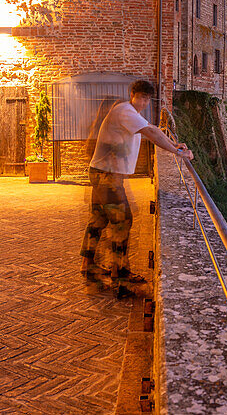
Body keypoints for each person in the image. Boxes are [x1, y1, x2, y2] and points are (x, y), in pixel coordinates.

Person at [81, 80, 193, 298]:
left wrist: (172, 143)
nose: (143, 102)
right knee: (123, 222)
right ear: (132, 95)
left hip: (103, 173)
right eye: (141, 97)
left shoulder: (129, 112)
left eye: (147, 99)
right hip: (107, 177)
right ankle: (120, 279)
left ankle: (88, 266)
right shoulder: (125, 111)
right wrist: (176, 151)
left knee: (99, 220)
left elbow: (152, 128)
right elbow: (151, 131)